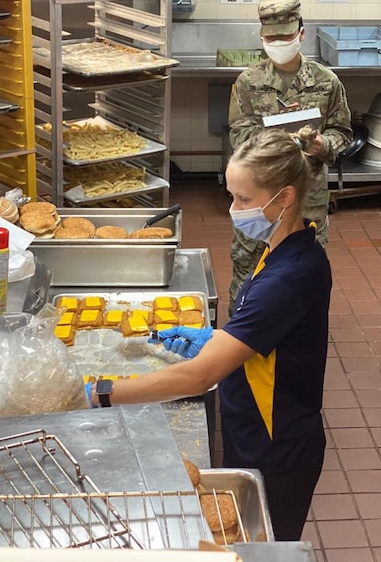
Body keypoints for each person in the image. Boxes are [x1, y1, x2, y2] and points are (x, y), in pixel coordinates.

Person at [85, 128, 332, 542]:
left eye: (245, 200)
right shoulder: (285, 246)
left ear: (285, 197)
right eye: (232, 195)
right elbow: (270, 337)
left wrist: (102, 392)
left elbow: (200, 378)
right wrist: (218, 338)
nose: (234, 209)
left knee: (264, 549)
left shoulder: (290, 275)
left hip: (277, 449)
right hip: (250, 431)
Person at [227, 0, 352, 315]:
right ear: (262, 38)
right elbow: (238, 133)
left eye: (285, 36)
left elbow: (343, 132)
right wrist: (277, 140)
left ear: (301, 34)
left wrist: (323, 145)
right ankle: (240, 337)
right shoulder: (248, 83)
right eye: (271, 37)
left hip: (307, 200)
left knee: (303, 274)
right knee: (248, 269)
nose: (278, 42)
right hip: (259, 200)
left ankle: (296, 336)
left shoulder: (326, 83)